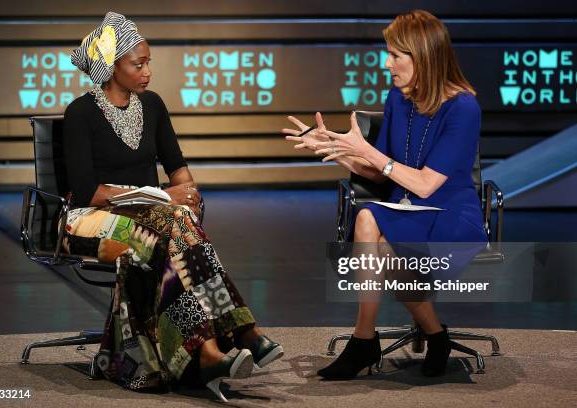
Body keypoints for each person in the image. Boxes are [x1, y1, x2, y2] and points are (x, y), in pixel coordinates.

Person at [62, 12, 283, 402]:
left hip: (150, 216)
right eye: (138, 63)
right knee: (169, 229)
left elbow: (178, 169)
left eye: (149, 62)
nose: (147, 71)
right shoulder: (79, 114)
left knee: (172, 236)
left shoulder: (153, 106)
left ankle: (208, 352)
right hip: (85, 222)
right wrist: (165, 196)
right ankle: (238, 331)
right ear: (111, 68)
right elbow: (85, 193)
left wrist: (189, 193)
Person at [283, 10, 487, 379]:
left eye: (395, 55)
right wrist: (333, 150)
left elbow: (425, 184)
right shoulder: (399, 98)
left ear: (423, 55)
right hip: (407, 207)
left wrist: (368, 151)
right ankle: (391, 336)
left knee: (377, 241)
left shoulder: (463, 108)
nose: (387, 62)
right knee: (368, 221)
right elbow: (380, 172)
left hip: (450, 214)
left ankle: (375, 341)